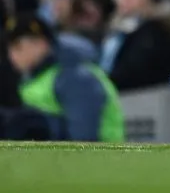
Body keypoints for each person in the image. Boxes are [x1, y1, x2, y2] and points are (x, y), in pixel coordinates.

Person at [2, 13, 124, 142]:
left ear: (41, 44)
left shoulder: (75, 77)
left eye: (18, 47)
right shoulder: (37, 77)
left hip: (103, 157)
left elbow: (84, 137)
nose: (11, 56)